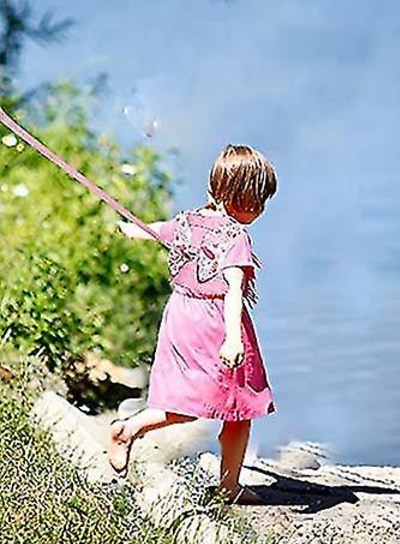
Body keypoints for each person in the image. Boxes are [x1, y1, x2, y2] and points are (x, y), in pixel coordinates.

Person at [108, 144, 277, 505]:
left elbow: (158, 231)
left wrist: (129, 229)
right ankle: (227, 487)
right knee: (239, 406)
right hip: (215, 323)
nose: (261, 210)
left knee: (188, 399)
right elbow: (233, 290)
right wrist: (234, 338)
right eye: (258, 200)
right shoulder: (235, 238)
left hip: (180, 315)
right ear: (239, 196)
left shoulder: (189, 222)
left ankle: (129, 429)